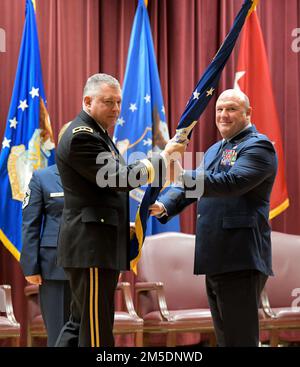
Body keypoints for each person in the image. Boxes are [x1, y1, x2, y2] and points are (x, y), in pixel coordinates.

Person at [55, 73, 185, 347]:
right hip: (91, 245)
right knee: (95, 330)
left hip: (98, 240)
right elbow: (119, 178)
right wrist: (160, 159)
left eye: (118, 102)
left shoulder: (99, 135)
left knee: (80, 324)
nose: (116, 109)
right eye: (108, 102)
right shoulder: (82, 136)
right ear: (87, 101)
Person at [150, 89, 278, 347]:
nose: (223, 115)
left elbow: (231, 182)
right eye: (219, 109)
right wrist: (162, 205)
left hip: (240, 257)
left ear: (248, 113)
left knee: (239, 339)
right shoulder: (214, 151)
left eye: (231, 108)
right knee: (225, 338)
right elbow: (192, 186)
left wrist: (180, 173)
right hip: (217, 256)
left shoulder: (258, 146)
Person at [20, 123, 72, 347]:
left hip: (93, 265)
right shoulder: (42, 178)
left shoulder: (101, 178)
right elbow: (30, 224)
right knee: (60, 335)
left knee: (92, 334)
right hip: (55, 267)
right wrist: (31, 266)